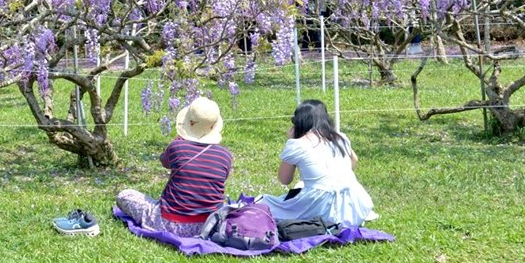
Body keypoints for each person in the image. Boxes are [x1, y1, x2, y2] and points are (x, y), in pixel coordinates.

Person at [116, 97, 233, 237]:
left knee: (125, 195)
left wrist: (177, 140)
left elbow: (164, 161)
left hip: (168, 224)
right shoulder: (225, 155)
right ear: (214, 126)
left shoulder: (177, 147)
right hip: (208, 227)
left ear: (189, 122)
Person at [257, 100, 377, 228]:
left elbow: (284, 179)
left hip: (322, 205)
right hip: (355, 205)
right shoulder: (340, 138)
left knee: (264, 202)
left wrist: (291, 140)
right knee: (302, 186)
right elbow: (354, 161)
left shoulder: (297, 144)